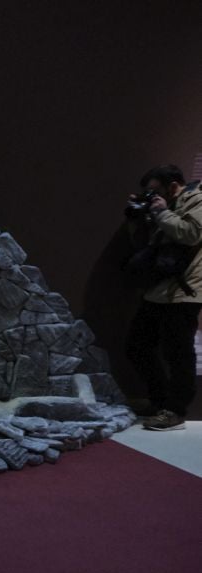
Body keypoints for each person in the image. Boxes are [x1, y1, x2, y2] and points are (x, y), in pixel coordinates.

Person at [123, 164, 202, 431]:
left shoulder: (197, 199)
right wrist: (142, 217)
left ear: (173, 186)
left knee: (178, 354)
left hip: (185, 291)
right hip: (158, 288)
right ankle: (158, 401)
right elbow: (147, 246)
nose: (152, 196)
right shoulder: (162, 207)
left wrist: (161, 212)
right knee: (137, 345)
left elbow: (191, 234)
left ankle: (175, 410)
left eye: (155, 191)